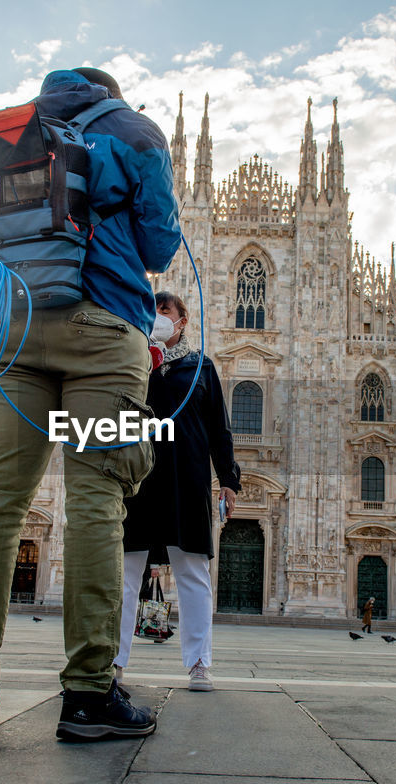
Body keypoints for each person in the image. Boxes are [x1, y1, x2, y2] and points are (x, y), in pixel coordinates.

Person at [0, 66, 180, 741]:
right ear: (110, 92)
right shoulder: (134, 131)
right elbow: (161, 246)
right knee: (96, 504)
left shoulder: (16, 131)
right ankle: (86, 695)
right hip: (103, 335)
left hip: (16, 326)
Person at [114, 291, 240, 693]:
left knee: (192, 573)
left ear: (182, 321)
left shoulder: (201, 367)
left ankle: (199, 664)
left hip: (187, 480)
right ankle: (114, 662)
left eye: (164, 310)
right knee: (126, 574)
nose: (157, 316)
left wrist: (229, 480)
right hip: (140, 477)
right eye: (151, 310)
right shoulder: (134, 363)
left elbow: (219, 429)